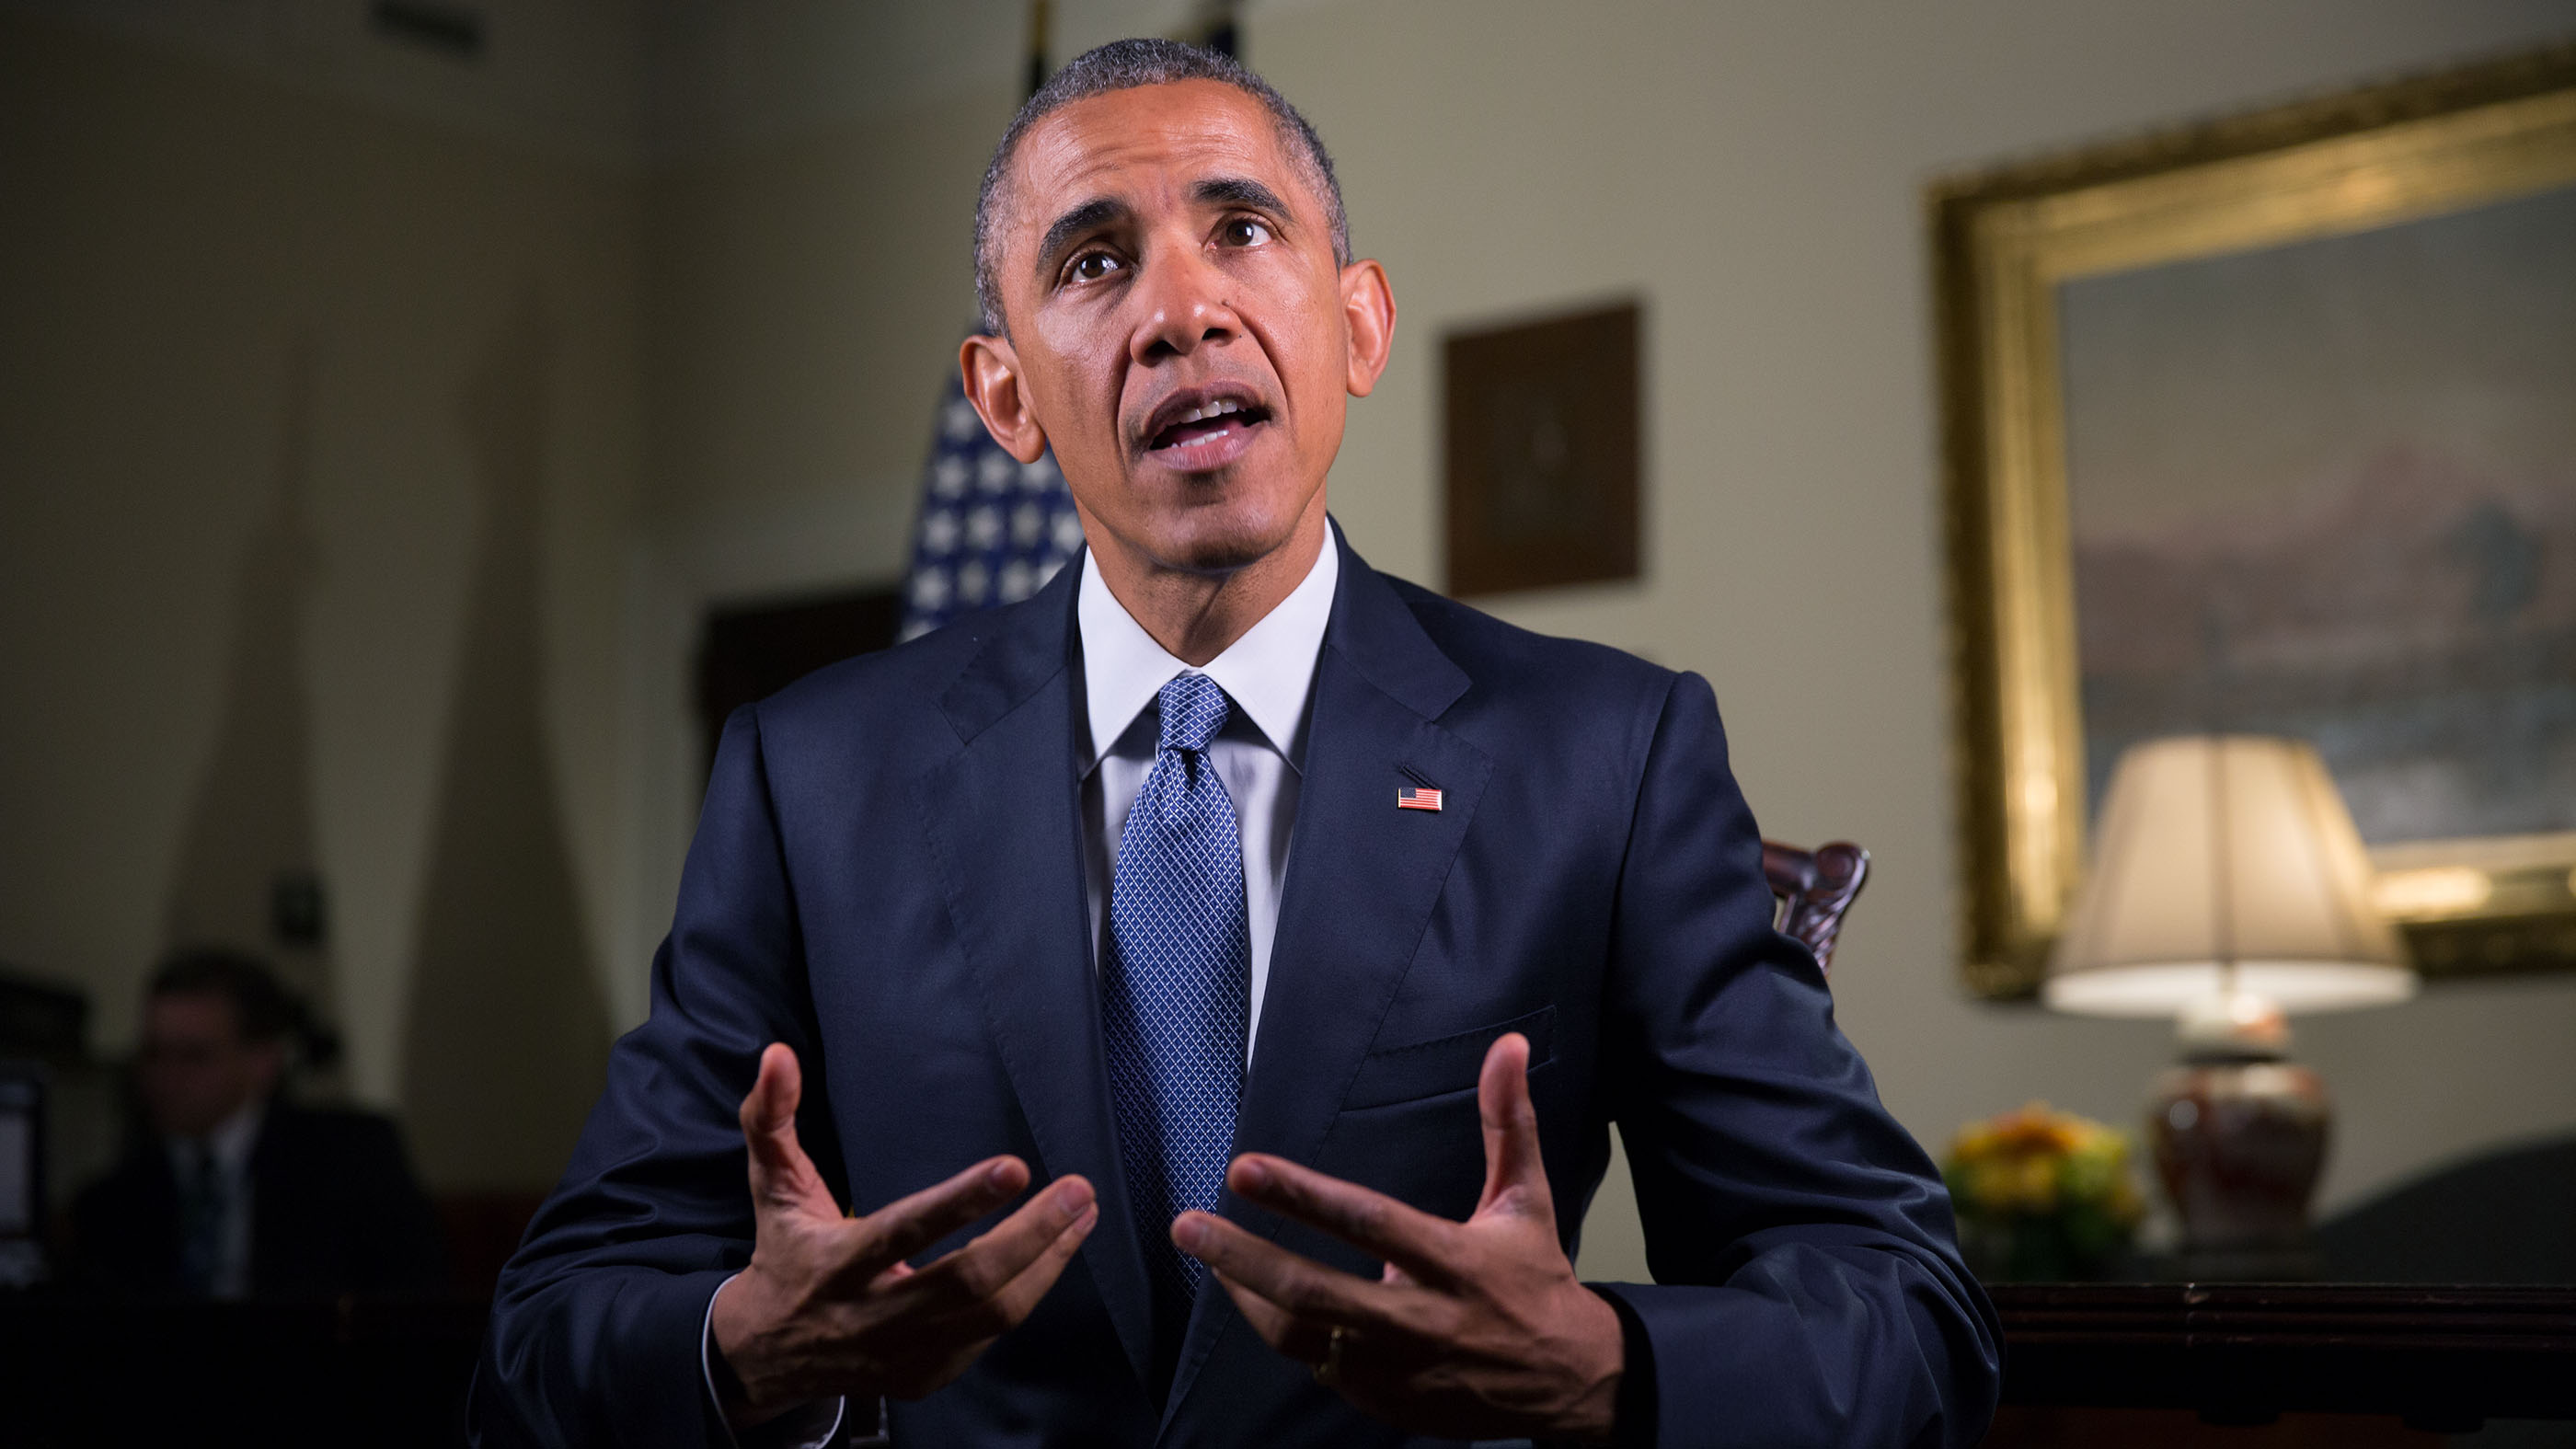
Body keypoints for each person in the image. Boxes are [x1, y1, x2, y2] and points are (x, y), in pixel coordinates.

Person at [474, 39, 1999, 1448]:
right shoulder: (809, 780)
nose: (1181, 309)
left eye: (1246, 232)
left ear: (1357, 325)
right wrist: (751, 1351)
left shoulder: (1606, 752)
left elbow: (1908, 1319)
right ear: (1004, 395)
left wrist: (1607, 1364)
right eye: (1093, 262)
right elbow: (544, 1339)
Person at [70, 948, 445, 1300]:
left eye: (193, 1056)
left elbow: (418, 1306)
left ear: (262, 1062)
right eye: (153, 1054)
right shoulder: (112, 1203)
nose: (166, 1076)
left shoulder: (350, 1164)